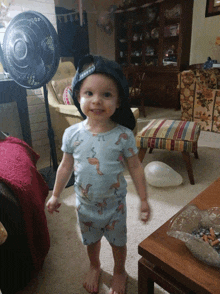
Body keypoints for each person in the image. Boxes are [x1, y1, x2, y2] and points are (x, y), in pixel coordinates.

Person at [46, 55, 150, 294]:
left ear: (119, 100)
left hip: (115, 206)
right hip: (85, 205)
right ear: (78, 96)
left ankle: (120, 271)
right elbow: (65, 166)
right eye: (89, 93)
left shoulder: (123, 135)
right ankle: (95, 266)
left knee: (118, 242)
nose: (97, 101)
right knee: (91, 240)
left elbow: (135, 166)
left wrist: (143, 199)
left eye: (106, 94)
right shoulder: (71, 134)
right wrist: (55, 194)